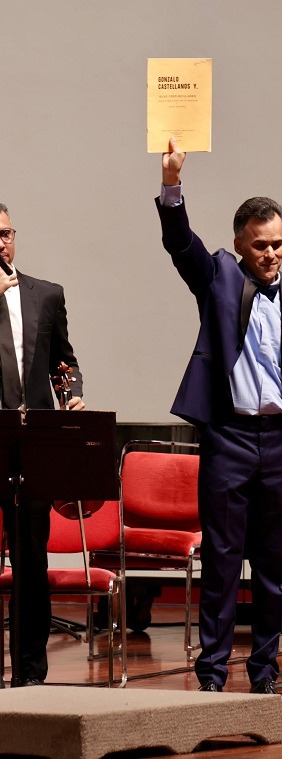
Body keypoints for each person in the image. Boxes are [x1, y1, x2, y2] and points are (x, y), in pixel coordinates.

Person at [155, 139, 282, 696]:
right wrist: (172, 184)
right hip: (228, 439)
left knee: (274, 566)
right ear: (239, 244)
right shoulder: (219, 279)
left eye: (278, 244)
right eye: (260, 245)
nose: (271, 254)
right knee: (223, 561)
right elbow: (180, 244)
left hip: (280, 444)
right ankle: (211, 676)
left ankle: (265, 674)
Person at [0, 203, 84, 687]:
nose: (1, 243)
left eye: (6, 233)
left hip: (31, 447)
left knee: (31, 559)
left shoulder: (46, 295)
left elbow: (63, 363)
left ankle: (30, 674)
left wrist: (70, 396)